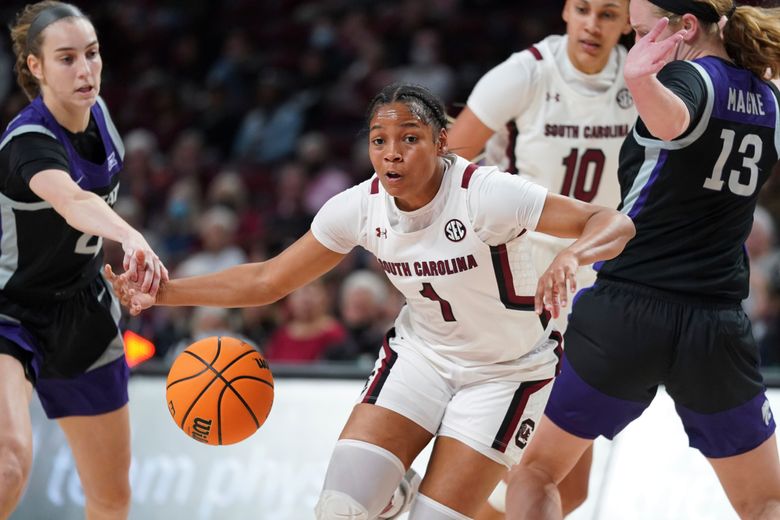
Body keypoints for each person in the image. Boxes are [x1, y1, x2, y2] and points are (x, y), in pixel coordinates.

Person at [107, 82, 635, 520]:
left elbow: (611, 220)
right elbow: (269, 280)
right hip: (421, 359)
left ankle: (407, 496)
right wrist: (165, 293)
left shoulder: (488, 194)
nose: (392, 152)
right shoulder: (358, 208)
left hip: (507, 374)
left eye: (410, 137)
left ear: (442, 143)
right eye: (380, 140)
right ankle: (392, 493)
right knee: (338, 510)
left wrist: (573, 257)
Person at [505, 1, 780, 518]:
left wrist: (640, 80)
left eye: (639, 31)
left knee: (537, 474)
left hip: (629, 312)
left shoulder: (684, 77)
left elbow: (676, 120)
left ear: (687, 28)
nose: (634, 43)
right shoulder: (769, 100)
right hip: (716, 324)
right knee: (766, 501)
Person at [447, 0, 635, 516]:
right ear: (565, 13)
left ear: (628, 23)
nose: (593, 25)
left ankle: (416, 502)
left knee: (569, 489)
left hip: (597, 277)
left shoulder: (644, 80)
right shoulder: (525, 72)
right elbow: (448, 160)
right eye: (583, 9)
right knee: (526, 470)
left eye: (608, 14)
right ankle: (427, 496)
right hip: (521, 273)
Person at [0, 2, 167, 519]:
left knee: (111, 498)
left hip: (84, 310)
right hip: (11, 312)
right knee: (8, 464)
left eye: (91, 55)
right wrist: (131, 236)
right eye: (67, 58)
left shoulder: (99, 113)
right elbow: (74, 202)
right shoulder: (26, 142)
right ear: (35, 67)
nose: (85, 71)